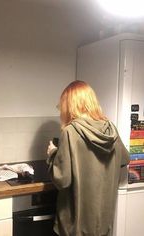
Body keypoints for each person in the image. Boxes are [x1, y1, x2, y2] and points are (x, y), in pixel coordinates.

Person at [47, 80, 129, 236]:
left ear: (70, 105)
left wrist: (52, 153)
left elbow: (62, 179)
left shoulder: (70, 131)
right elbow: (125, 159)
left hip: (76, 225)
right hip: (103, 222)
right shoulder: (110, 128)